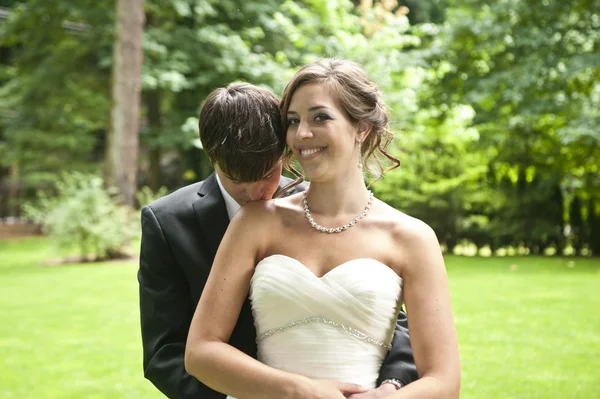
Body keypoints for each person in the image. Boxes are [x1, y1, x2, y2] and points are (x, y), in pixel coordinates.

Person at [184, 59, 460, 399]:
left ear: (361, 127)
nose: (301, 134)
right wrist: (298, 391)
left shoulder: (411, 238)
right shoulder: (255, 223)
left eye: (320, 117)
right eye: (293, 121)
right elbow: (200, 351)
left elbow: (443, 382)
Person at [138, 81, 417, 399]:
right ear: (212, 158)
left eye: (269, 173)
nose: (258, 193)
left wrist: (392, 385)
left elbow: (388, 311)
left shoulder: (317, 204)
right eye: (239, 180)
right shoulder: (167, 221)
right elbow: (164, 351)